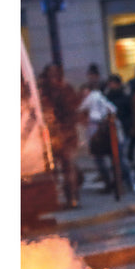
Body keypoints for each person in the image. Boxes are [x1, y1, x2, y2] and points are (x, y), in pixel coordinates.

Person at [79, 80, 135, 195]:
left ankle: (114, 183)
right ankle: (126, 183)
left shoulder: (92, 98)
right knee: (118, 159)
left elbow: (83, 112)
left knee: (104, 158)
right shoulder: (101, 99)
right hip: (112, 133)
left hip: (102, 135)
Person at [38, 63, 82, 209]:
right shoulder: (64, 88)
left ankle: (62, 198)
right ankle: (71, 198)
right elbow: (73, 111)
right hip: (63, 134)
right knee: (66, 168)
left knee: (56, 168)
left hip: (55, 134)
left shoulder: (44, 90)